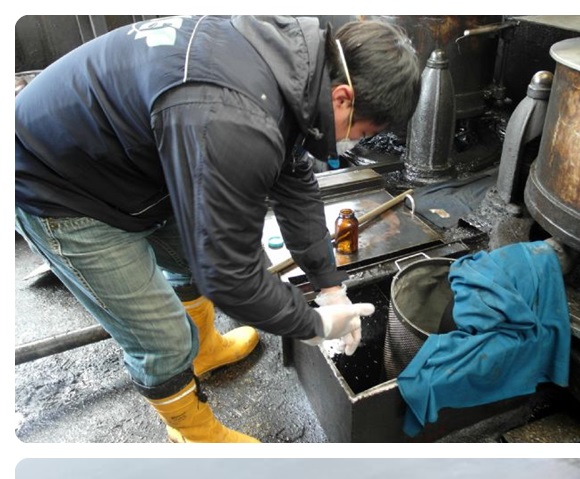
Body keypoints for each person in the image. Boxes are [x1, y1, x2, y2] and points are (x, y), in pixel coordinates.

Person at [15, 15, 420, 442]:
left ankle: (204, 348)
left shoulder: (288, 69)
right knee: (163, 340)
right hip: (58, 184)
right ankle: (195, 434)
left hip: (129, 163)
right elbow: (228, 277)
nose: (352, 143)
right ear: (342, 98)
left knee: (196, 258)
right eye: (360, 131)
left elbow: (295, 184)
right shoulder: (233, 119)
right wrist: (316, 324)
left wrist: (329, 285)